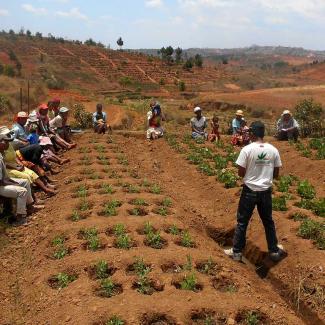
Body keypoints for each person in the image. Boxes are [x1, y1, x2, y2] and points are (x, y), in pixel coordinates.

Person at [224, 121, 285, 262]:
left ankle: (237, 252)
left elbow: (240, 173)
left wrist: (253, 174)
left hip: (249, 191)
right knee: (268, 221)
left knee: (242, 222)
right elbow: (276, 174)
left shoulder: (247, 150)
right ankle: (274, 251)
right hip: (265, 191)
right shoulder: (273, 150)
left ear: (252, 133)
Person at [0, 126, 36, 224]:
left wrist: (12, 182)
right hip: (0, 185)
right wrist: (13, 183)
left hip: (3, 182)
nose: (8, 144)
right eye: (6, 142)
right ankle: (21, 218)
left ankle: (30, 207)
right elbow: (1, 181)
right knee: (22, 191)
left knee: (25, 182)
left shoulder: (1, 154)